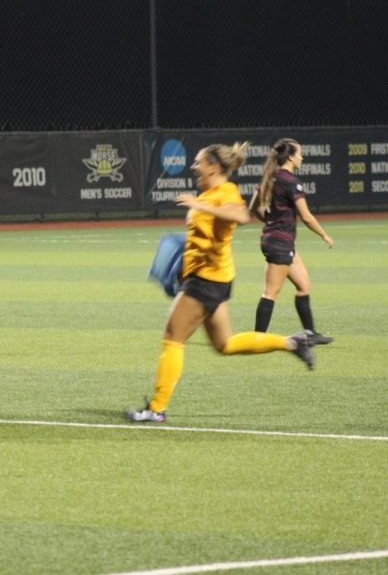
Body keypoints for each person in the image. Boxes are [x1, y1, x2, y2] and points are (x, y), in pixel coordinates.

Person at [126, 142, 316, 423]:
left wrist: (198, 204)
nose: (194, 166)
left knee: (172, 339)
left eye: (198, 162)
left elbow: (242, 215)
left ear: (213, 167)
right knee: (224, 344)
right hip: (210, 277)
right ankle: (291, 343)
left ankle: (156, 409)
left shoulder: (224, 191)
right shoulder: (211, 193)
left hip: (207, 280)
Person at [250, 138, 334, 344]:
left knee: (304, 285)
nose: (302, 157)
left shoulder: (270, 178)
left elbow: (253, 207)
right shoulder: (290, 181)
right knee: (270, 293)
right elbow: (306, 216)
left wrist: (268, 220)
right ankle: (255, 339)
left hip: (278, 241)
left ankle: (309, 333)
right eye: (299, 153)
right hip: (280, 243)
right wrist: (324, 234)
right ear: (290, 157)